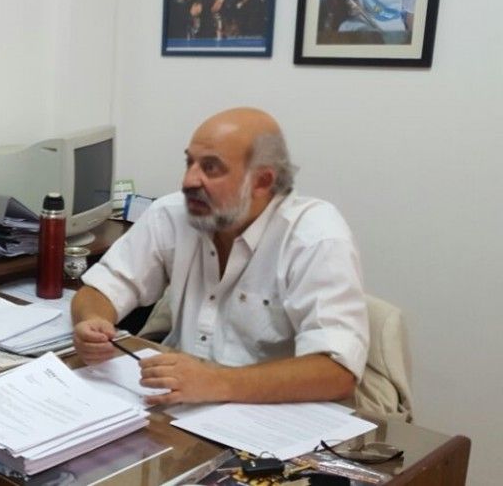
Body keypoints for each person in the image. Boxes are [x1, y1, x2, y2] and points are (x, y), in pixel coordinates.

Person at [71, 108, 369, 406]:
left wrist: (217, 382)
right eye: (189, 162)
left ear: (262, 182)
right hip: (180, 403)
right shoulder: (171, 214)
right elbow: (103, 288)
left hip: (271, 413)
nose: (189, 181)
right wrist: (93, 321)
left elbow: (337, 372)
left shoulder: (315, 237)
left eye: (211, 168)